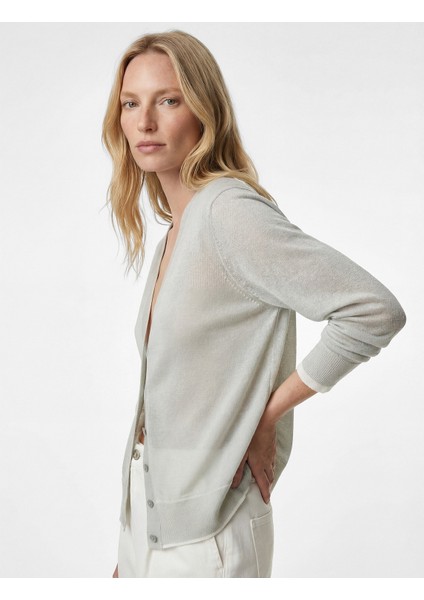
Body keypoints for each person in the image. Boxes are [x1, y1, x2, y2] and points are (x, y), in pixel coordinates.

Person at [101, 30, 406, 578]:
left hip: (210, 532)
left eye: (167, 100)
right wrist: (131, 551)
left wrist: (268, 414)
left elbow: (372, 310)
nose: (144, 122)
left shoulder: (228, 213)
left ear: (204, 110)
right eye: (130, 103)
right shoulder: (177, 229)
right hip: (150, 519)